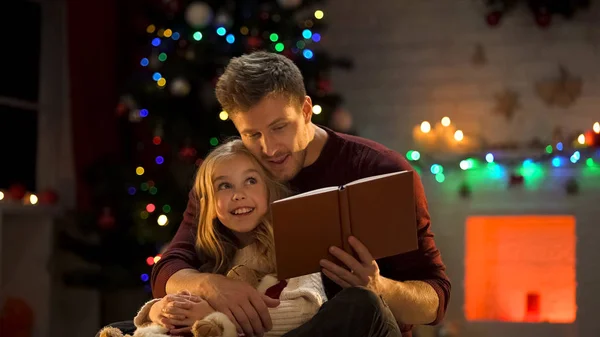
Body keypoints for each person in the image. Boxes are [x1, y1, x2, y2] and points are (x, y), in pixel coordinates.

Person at [103, 50, 451, 337]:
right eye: (252, 134)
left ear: (305, 109)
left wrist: (378, 285)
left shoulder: (382, 170)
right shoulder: (232, 174)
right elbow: (170, 266)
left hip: (355, 327)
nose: (269, 148)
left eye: (279, 128)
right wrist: (213, 286)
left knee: (360, 304)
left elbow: (435, 301)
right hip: (267, 327)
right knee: (124, 329)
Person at [97, 140, 328, 337]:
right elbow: (183, 300)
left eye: (251, 181)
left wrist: (216, 317)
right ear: (207, 203)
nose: (238, 195)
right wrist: (158, 310)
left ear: (270, 188)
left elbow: (305, 309)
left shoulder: (293, 241)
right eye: (224, 186)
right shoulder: (210, 250)